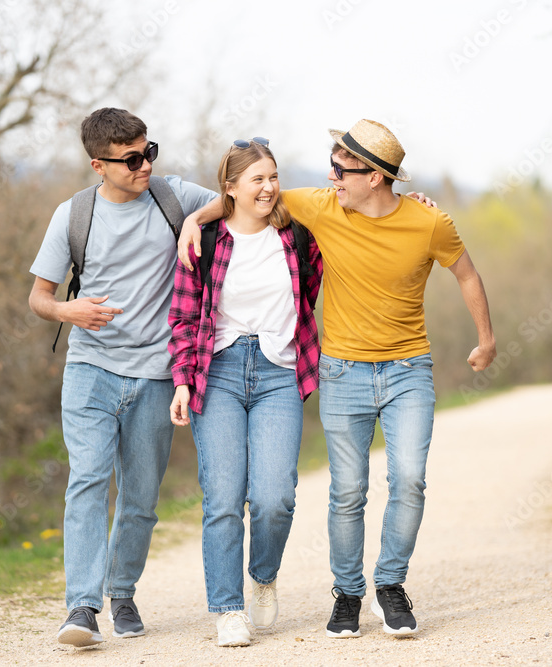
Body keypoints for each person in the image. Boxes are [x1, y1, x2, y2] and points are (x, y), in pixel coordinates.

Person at [177, 119, 497, 639]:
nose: (331, 179)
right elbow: (246, 199)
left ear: (374, 177)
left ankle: (389, 584)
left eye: (341, 170)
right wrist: (196, 218)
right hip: (339, 371)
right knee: (344, 491)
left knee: (407, 480)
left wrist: (487, 339)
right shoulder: (323, 207)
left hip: (407, 368)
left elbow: (466, 273)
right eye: (330, 168)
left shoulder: (428, 223)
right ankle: (342, 593)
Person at [28, 108, 218, 647]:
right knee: (87, 481)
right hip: (91, 369)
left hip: (158, 373)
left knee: (140, 497)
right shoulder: (74, 216)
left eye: (149, 151)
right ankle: (82, 608)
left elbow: (244, 197)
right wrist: (71, 312)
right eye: (131, 159)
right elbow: (39, 298)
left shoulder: (172, 196)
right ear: (98, 165)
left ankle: (123, 591)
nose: (144, 165)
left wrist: (198, 222)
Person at [168, 138, 322, 647]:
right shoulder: (205, 240)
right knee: (224, 496)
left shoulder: (299, 235)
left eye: (273, 176)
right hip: (221, 372)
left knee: (275, 497)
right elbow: (185, 317)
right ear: (229, 187)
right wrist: (183, 382)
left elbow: (319, 285)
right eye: (257, 179)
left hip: (280, 371)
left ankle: (263, 575)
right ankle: (229, 609)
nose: (269, 187)